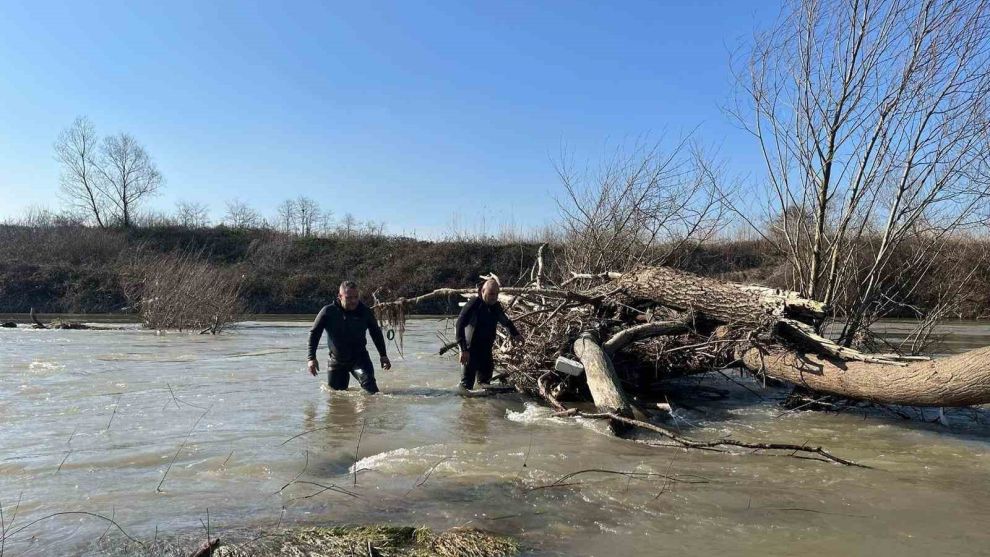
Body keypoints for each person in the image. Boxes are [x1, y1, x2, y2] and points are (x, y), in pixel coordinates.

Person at [307, 280, 391, 393]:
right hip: (336, 361)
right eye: (349, 298)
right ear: (340, 296)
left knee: (372, 391)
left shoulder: (364, 311)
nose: (354, 301)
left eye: (356, 297)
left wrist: (383, 355)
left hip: (360, 359)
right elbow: (314, 333)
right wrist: (311, 358)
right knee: (336, 397)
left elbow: (376, 333)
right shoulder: (328, 312)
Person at [455, 278, 523, 393]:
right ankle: (466, 410)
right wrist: (463, 349)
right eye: (491, 293)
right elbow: (459, 325)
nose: (494, 297)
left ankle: (484, 409)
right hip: (470, 352)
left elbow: (505, 321)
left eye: (496, 294)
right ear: (483, 292)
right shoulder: (473, 304)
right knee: (466, 389)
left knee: (486, 387)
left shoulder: (495, 306)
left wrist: (516, 334)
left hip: (486, 352)